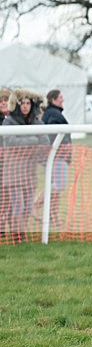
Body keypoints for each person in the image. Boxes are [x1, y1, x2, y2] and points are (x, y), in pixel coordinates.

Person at [1, 89, 49, 243]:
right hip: (13, 172)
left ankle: (22, 235)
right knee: (18, 205)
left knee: (27, 207)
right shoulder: (8, 121)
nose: (25, 106)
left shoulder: (38, 122)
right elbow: (11, 142)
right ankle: (17, 237)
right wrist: (33, 141)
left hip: (29, 171)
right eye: (22, 103)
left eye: (28, 103)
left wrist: (29, 144)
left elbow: (45, 142)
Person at [39, 89, 73, 227]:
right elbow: (53, 133)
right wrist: (64, 145)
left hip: (57, 156)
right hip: (58, 156)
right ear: (53, 100)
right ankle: (38, 205)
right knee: (58, 185)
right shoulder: (54, 114)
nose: (62, 99)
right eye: (60, 97)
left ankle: (52, 214)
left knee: (56, 186)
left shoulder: (53, 113)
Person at [0, 88, 12, 236]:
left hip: (12, 165)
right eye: (1, 100)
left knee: (10, 198)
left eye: (6, 100)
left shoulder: (16, 120)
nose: (3, 103)